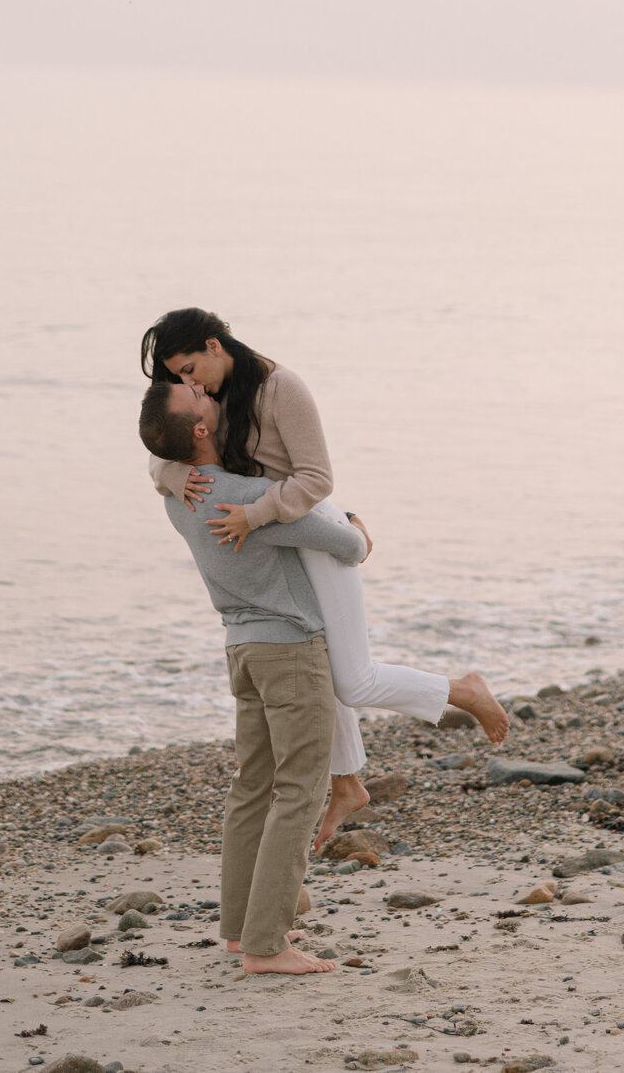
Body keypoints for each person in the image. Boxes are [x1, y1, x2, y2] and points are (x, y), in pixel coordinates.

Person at [140, 307, 509, 845]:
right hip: (271, 537)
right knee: (315, 658)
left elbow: (316, 477)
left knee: (351, 679)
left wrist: (256, 514)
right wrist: (173, 472)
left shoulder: (280, 387)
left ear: (215, 346)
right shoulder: (205, 399)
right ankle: (347, 782)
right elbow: (163, 446)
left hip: (303, 525)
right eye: (180, 377)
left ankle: (461, 690)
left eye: (191, 369)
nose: (188, 383)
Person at [145, 379, 362, 975]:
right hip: (290, 650)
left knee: (251, 788)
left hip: (241, 649)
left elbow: (162, 466)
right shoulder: (248, 497)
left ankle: (239, 930)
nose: (205, 391)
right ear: (199, 430)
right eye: (198, 399)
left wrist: (164, 469)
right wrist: (360, 531)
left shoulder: (177, 496)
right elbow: (343, 543)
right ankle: (267, 944)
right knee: (299, 790)